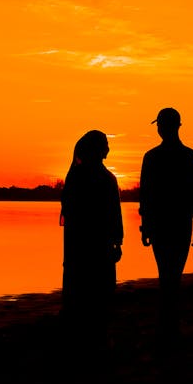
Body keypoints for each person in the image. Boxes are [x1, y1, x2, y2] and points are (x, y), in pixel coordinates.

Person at [139, 107, 193, 350]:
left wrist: (146, 225)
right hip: (176, 223)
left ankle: (167, 326)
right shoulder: (191, 157)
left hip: (165, 222)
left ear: (169, 127)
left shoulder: (153, 157)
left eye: (161, 125)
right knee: (171, 274)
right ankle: (169, 326)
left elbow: (146, 194)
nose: (160, 129)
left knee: (167, 274)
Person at [60, 129, 123, 353]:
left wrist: (116, 240)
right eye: (104, 145)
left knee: (84, 292)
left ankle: (84, 339)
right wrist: (117, 241)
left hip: (82, 245)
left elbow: (69, 209)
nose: (108, 149)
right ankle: (95, 339)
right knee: (97, 292)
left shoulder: (77, 177)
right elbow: (115, 214)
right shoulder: (104, 178)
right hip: (94, 245)